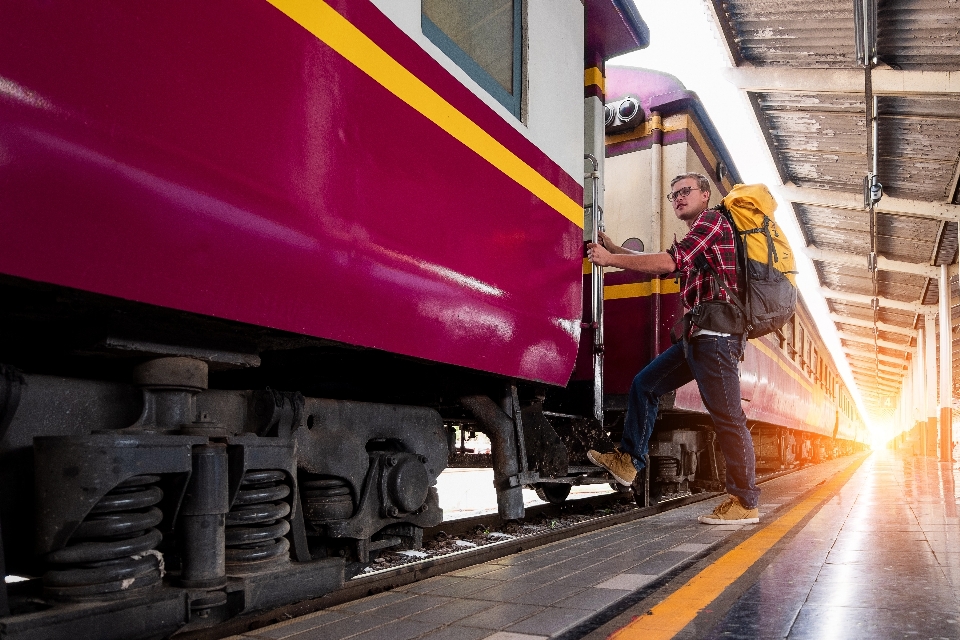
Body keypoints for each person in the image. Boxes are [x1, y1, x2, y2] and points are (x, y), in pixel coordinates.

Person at [585, 172, 759, 525]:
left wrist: (610, 259)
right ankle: (629, 462)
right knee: (645, 384)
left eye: (685, 192)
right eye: (673, 194)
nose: (678, 197)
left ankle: (745, 502)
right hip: (697, 338)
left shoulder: (712, 221)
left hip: (717, 339)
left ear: (705, 195)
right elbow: (666, 268)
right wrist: (618, 250)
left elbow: (668, 262)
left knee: (728, 418)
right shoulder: (698, 234)